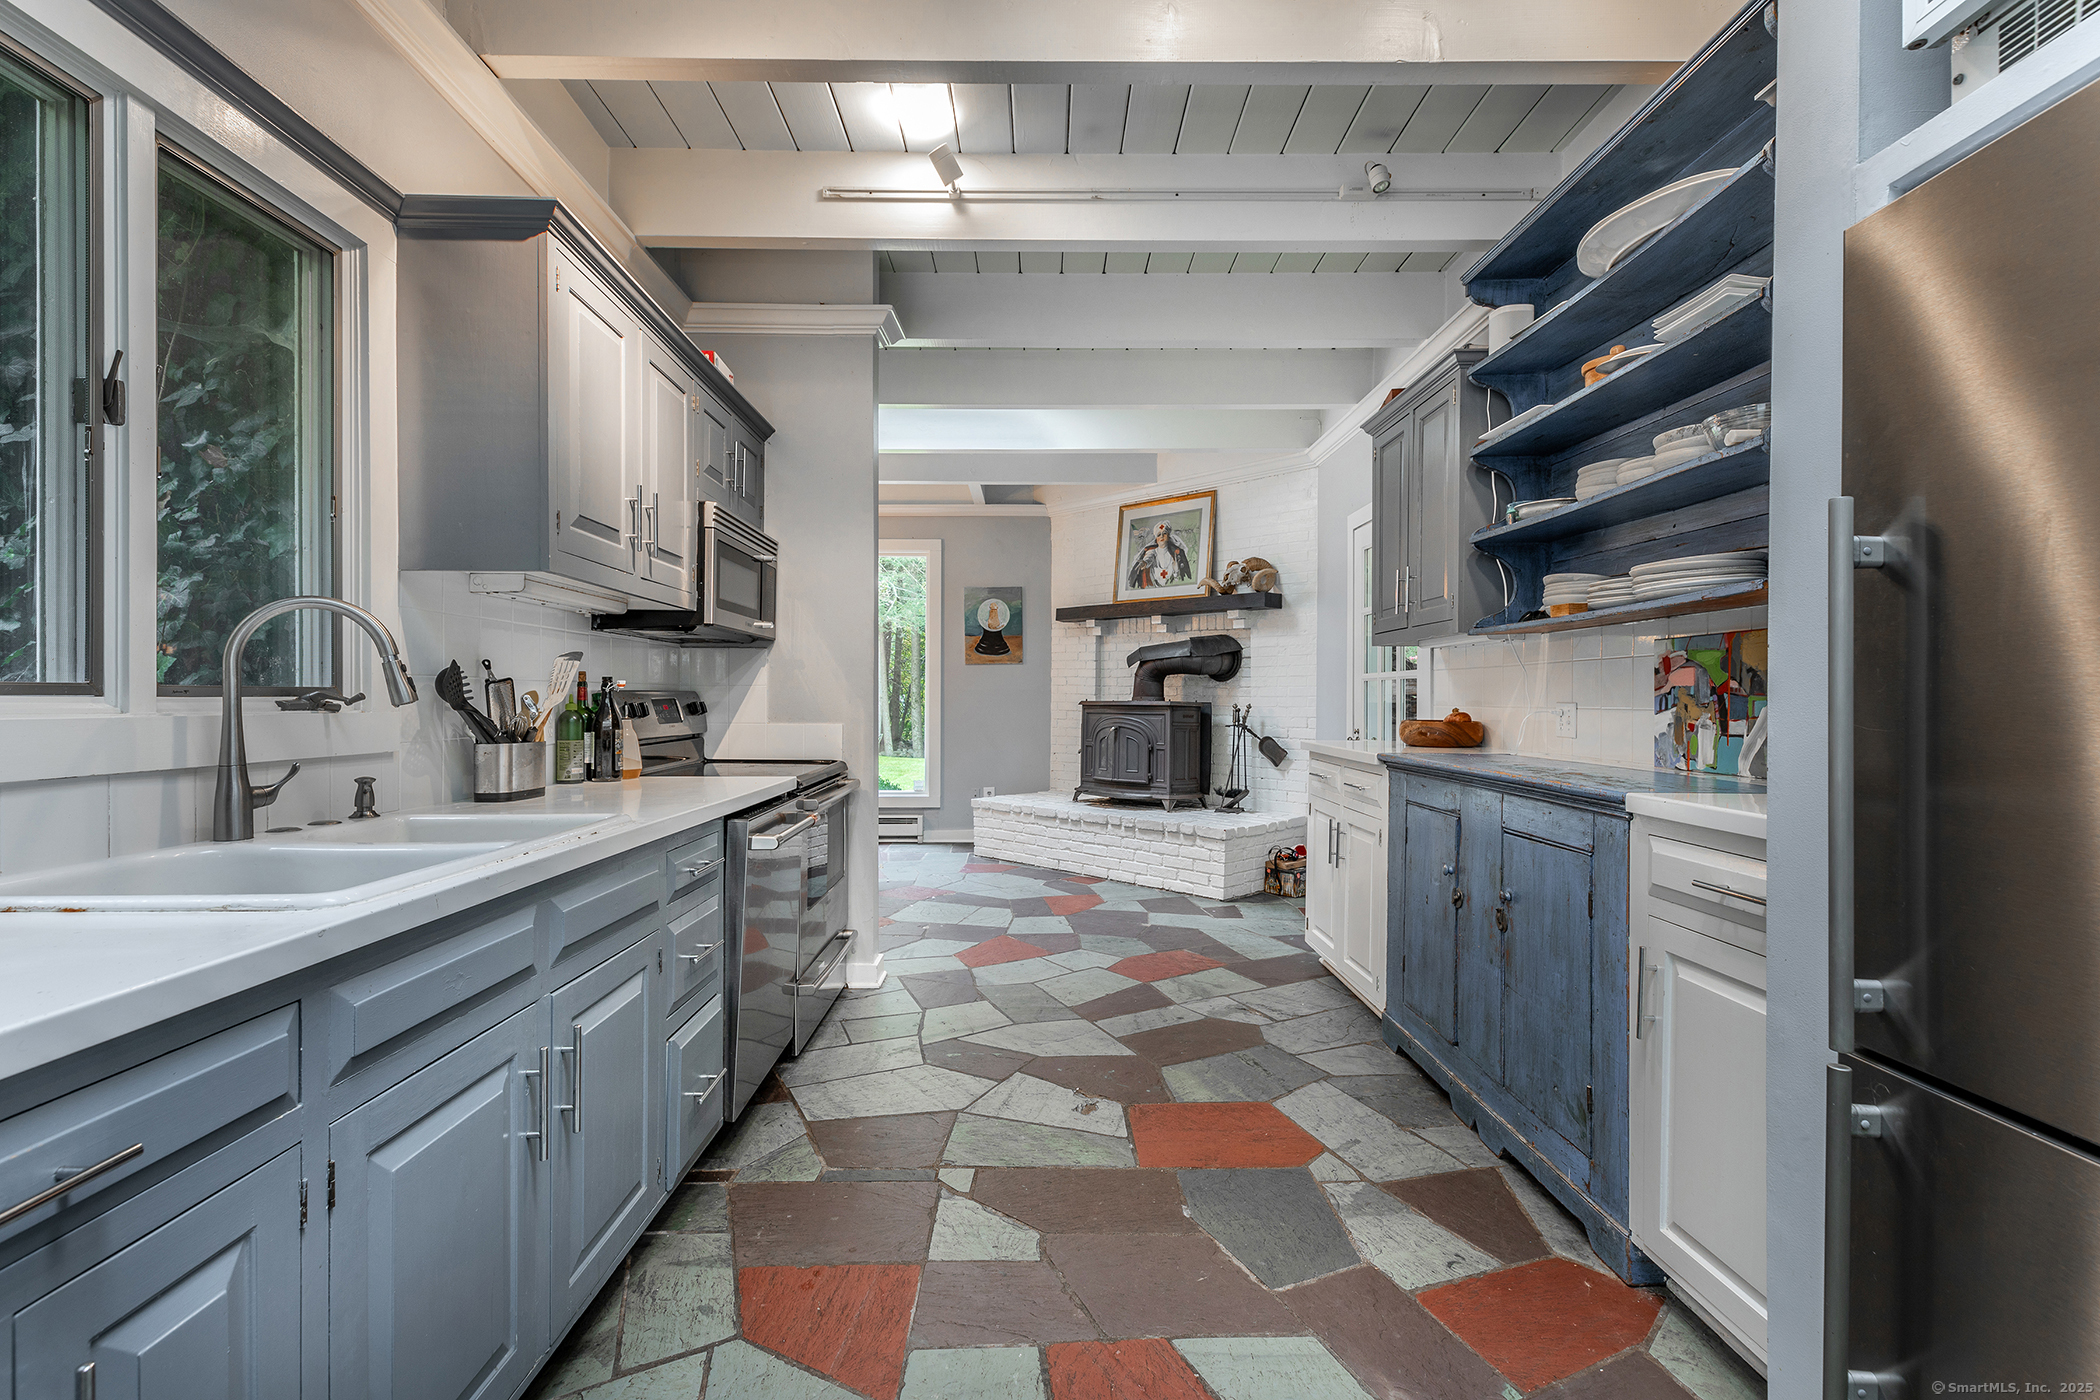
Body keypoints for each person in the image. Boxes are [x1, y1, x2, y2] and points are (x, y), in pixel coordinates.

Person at [1127, 519, 1193, 590]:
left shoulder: (1175, 553)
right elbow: (1148, 558)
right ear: (1156, 539)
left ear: (1168, 536)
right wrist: (1144, 563)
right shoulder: (1152, 552)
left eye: (1164, 533)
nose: (1161, 536)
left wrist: (1176, 571)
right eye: (1159, 534)